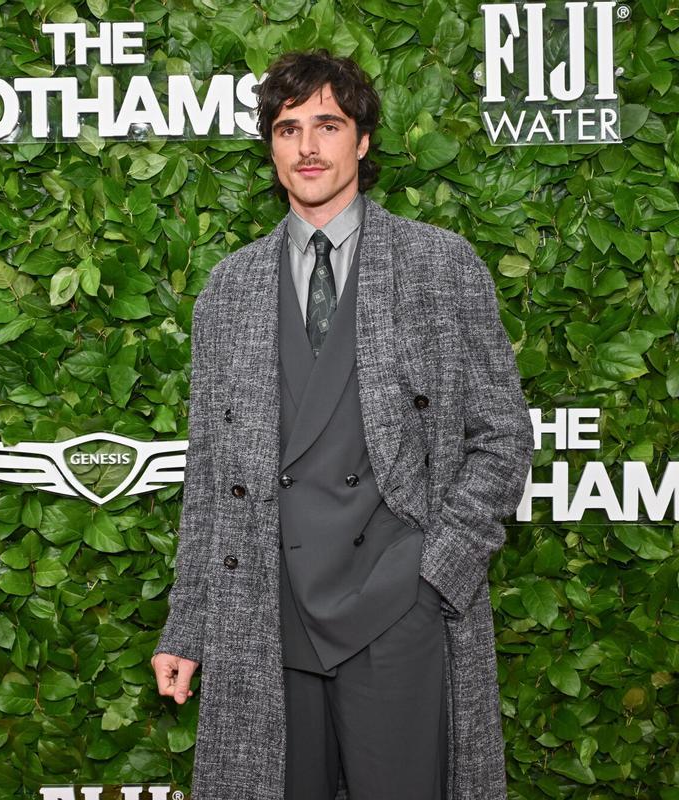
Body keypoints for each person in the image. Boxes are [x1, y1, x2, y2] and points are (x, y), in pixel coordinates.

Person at [150, 50, 533, 800]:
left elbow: (502, 436)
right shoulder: (228, 290)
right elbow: (209, 481)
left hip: (398, 607)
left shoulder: (439, 265)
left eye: (328, 124)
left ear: (362, 141)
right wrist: (188, 628)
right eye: (289, 129)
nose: (308, 147)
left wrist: (438, 573)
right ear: (271, 148)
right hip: (268, 609)